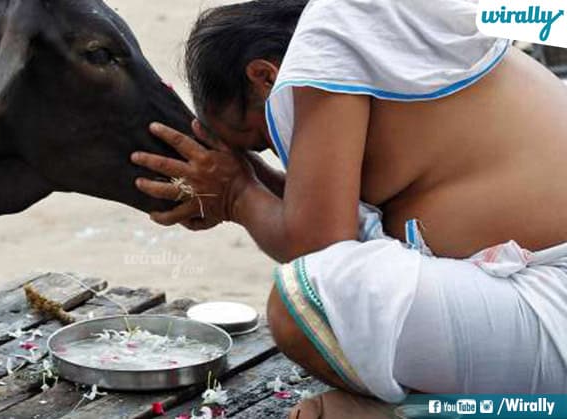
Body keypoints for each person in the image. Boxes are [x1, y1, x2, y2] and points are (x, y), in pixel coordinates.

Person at [130, 0, 567, 414]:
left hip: (553, 304)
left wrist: (237, 195)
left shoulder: (329, 34)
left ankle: (421, 414)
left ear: (266, 77)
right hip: (545, 312)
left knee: (303, 300)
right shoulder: (377, 37)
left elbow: (319, 246)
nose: (275, 155)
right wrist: (240, 181)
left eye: (261, 144)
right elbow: (332, 223)